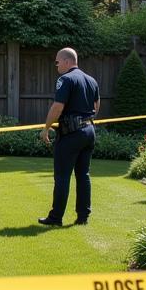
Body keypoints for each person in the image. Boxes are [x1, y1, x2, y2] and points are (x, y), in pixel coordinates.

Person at [39, 47, 100, 227]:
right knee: (83, 175)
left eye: (57, 62)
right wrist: (85, 120)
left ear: (66, 61)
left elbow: (58, 107)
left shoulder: (65, 79)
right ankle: (83, 217)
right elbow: (97, 105)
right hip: (89, 131)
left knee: (62, 176)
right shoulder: (91, 80)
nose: (56, 65)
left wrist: (46, 128)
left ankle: (56, 217)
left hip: (71, 134)